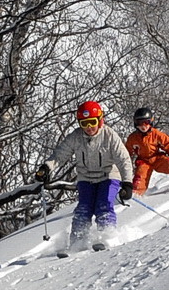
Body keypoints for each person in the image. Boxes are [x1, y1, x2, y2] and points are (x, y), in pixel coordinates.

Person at [35, 101, 133, 250]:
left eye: (92, 122)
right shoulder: (76, 137)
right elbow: (60, 154)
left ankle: (107, 237)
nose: (89, 128)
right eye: (84, 123)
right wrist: (47, 167)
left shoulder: (109, 136)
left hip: (108, 176)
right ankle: (78, 243)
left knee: (103, 204)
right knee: (83, 209)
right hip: (86, 179)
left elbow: (123, 159)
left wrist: (127, 183)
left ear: (100, 120)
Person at [125, 107, 169, 195]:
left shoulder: (156, 134)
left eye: (146, 122)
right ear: (135, 123)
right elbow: (126, 152)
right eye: (140, 123)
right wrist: (123, 164)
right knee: (140, 177)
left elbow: (168, 144)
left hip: (157, 158)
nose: (143, 126)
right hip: (143, 161)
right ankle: (136, 193)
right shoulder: (133, 138)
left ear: (151, 121)